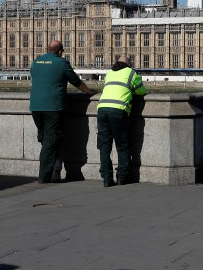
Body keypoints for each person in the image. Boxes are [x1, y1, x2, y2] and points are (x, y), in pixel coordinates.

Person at [29, 40, 95, 183]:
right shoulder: (61, 62)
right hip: (53, 107)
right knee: (50, 142)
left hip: (35, 107)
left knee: (45, 138)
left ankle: (56, 165)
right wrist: (89, 91)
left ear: (48, 49)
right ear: (60, 52)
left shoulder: (36, 62)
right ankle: (43, 178)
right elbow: (76, 82)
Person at [96, 55, 147, 187]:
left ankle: (107, 178)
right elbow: (141, 91)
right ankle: (122, 177)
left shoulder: (109, 73)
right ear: (129, 65)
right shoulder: (131, 73)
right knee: (122, 146)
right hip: (118, 111)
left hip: (102, 109)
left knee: (104, 147)